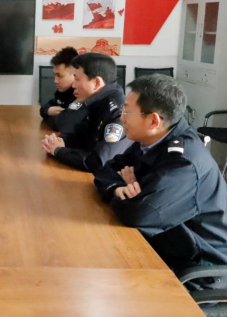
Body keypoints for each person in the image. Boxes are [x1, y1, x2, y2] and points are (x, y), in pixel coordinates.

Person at [93, 75, 227, 289]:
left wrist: (136, 196)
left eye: (127, 111)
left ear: (154, 121)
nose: (122, 117)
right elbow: (106, 170)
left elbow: (139, 215)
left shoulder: (184, 162)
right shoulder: (153, 139)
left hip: (196, 271)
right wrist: (118, 189)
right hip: (163, 244)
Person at [42, 53, 131, 172]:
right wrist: (61, 140)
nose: (73, 85)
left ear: (97, 83)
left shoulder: (118, 113)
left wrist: (58, 151)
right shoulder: (97, 100)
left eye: (77, 79)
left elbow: (99, 162)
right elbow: (81, 134)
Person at [40, 47, 87, 134]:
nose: (55, 81)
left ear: (75, 74)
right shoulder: (63, 91)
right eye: (54, 76)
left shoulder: (81, 95)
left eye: (59, 76)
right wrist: (48, 111)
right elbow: (45, 106)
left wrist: (48, 116)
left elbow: (62, 125)